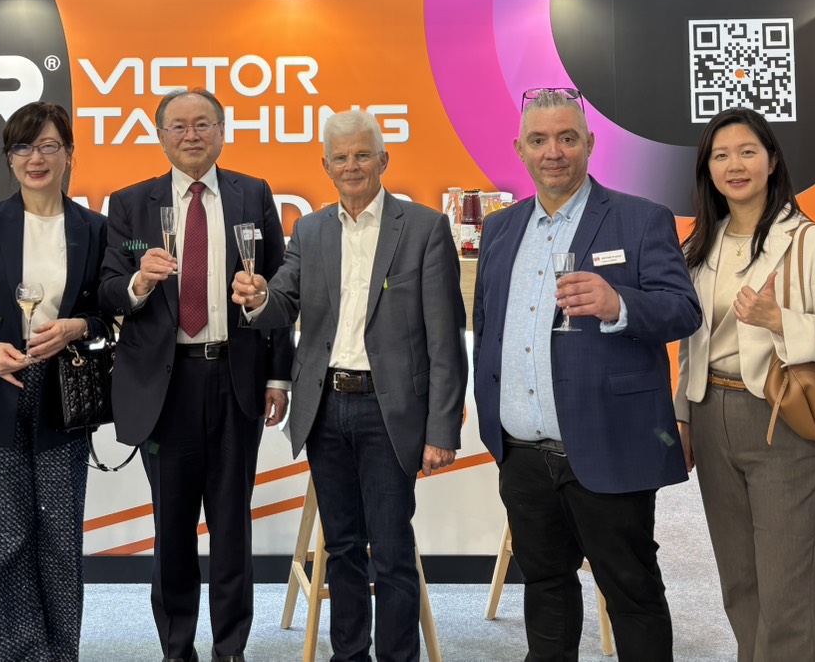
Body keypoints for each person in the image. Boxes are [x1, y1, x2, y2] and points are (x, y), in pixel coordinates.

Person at [473, 88, 701, 662]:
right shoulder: (500, 230)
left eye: (567, 138)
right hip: (523, 454)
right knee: (546, 590)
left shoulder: (640, 219)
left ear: (590, 144)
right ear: (520, 149)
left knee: (631, 593)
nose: (553, 152)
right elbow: (488, 328)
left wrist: (619, 303)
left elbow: (683, 311)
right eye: (539, 140)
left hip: (609, 444)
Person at [232, 110, 467, 662]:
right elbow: (281, 302)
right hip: (325, 409)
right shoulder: (310, 230)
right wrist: (259, 297)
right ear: (326, 166)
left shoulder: (425, 228)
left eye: (363, 155)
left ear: (384, 160)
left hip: (390, 412)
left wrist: (442, 430)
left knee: (392, 551)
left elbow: (445, 340)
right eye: (341, 157)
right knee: (341, 550)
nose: (352, 166)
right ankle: (350, 656)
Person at [99, 87, 293, 662]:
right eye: (178, 126)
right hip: (166, 386)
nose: (191, 135)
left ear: (222, 131)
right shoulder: (129, 204)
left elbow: (280, 293)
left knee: (232, 524)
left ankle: (230, 647)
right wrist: (139, 282)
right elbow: (107, 289)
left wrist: (278, 377)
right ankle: (176, 647)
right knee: (172, 527)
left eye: (203, 124)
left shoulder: (253, 194)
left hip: (235, 378)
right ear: (161, 136)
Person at [675, 107, 815, 662]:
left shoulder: (811, 241)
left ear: (773, 161)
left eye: (747, 152)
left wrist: (780, 320)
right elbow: (692, 344)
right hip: (710, 413)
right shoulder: (700, 246)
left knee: (786, 590)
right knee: (739, 582)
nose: (734, 165)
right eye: (721, 156)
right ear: (708, 169)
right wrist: (684, 416)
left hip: (780, 417)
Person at [0, 102, 113, 662]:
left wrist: (76, 327)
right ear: (9, 158)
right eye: (22, 147)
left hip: (62, 395)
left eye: (48, 146)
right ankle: (0, 653)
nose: (35, 158)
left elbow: (108, 315)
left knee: (59, 538)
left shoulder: (94, 229)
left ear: (69, 153)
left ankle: (57, 652)